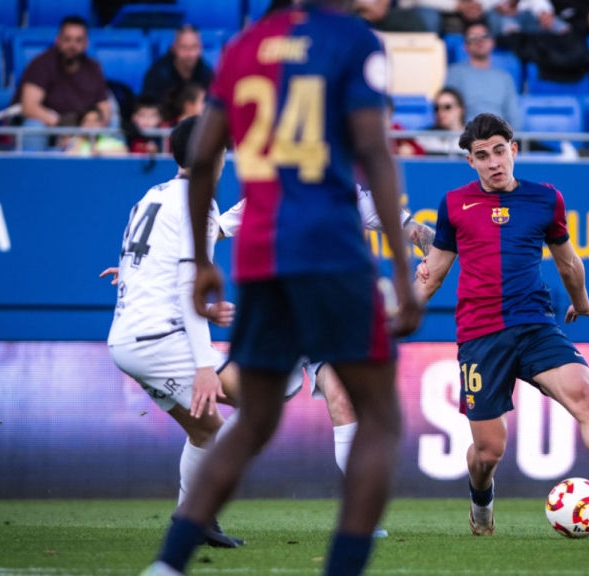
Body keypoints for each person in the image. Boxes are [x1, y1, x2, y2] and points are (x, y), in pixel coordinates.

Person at [143, 0, 422, 575]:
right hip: (330, 250)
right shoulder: (353, 40)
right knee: (380, 416)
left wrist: (201, 262)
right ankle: (343, 567)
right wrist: (399, 268)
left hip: (262, 256)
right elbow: (373, 149)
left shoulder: (243, 47)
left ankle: (168, 565)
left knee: (254, 421)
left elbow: (202, 156)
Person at [414, 113, 589, 536]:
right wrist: (399, 313)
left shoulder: (545, 199)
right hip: (481, 336)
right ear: (471, 163)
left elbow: (568, 261)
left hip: (536, 324)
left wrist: (582, 304)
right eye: (482, 156)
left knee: (584, 396)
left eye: (500, 150)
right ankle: (481, 502)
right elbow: (436, 270)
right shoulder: (454, 205)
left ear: (514, 150)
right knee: (488, 452)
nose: (494, 162)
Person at [105, 116, 246, 550]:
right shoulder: (196, 204)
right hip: (157, 340)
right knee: (244, 412)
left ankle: (195, 520)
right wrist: (205, 367)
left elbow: (163, 256)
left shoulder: (155, 194)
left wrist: (137, 273)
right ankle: (194, 518)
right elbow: (190, 284)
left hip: (133, 337)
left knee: (208, 430)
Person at [15, 16, 110, 151]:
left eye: (78, 40)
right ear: (58, 40)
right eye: (67, 39)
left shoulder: (94, 67)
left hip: (84, 127)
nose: (72, 45)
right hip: (52, 127)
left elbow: (104, 108)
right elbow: (29, 107)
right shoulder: (41, 64)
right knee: (33, 127)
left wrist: (91, 126)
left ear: (86, 43)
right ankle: (33, 170)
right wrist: (64, 127)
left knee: (114, 127)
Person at [445, 23, 521, 128]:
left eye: (484, 36)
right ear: (465, 46)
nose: (480, 41)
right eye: (473, 38)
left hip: (499, 137)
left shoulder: (505, 77)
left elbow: (514, 115)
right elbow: (448, 110)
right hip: (467, 136)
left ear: (492, 42)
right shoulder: (455, 73)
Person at [141, 25, 215, 104]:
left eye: (194, 47)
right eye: (184, 47)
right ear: (174, 48)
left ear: (201, 48)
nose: (189, 54)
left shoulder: (207, 74)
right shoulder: (157, 75)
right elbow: (149, 109)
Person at [416, 88, 469, 155]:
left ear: (460, 109)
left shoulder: (474, 139)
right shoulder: (425, 139)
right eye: (436, 108)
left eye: (447, 107)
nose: (440, 112)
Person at [63, 108, 128, 156]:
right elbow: (68, 159)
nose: (91, 125)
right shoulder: (74, 141)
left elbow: (124, 151)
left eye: (95, 121)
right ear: (81, 124)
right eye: (87, 121)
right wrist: (80, 140)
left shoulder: (106, 140)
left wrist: (101, 152)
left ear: (101, 124)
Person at [399, 0, 491, 34]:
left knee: (494, 16)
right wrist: (456, 5)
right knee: (430, 18)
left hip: (466, 8)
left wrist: (478, 4)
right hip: (425, 8)